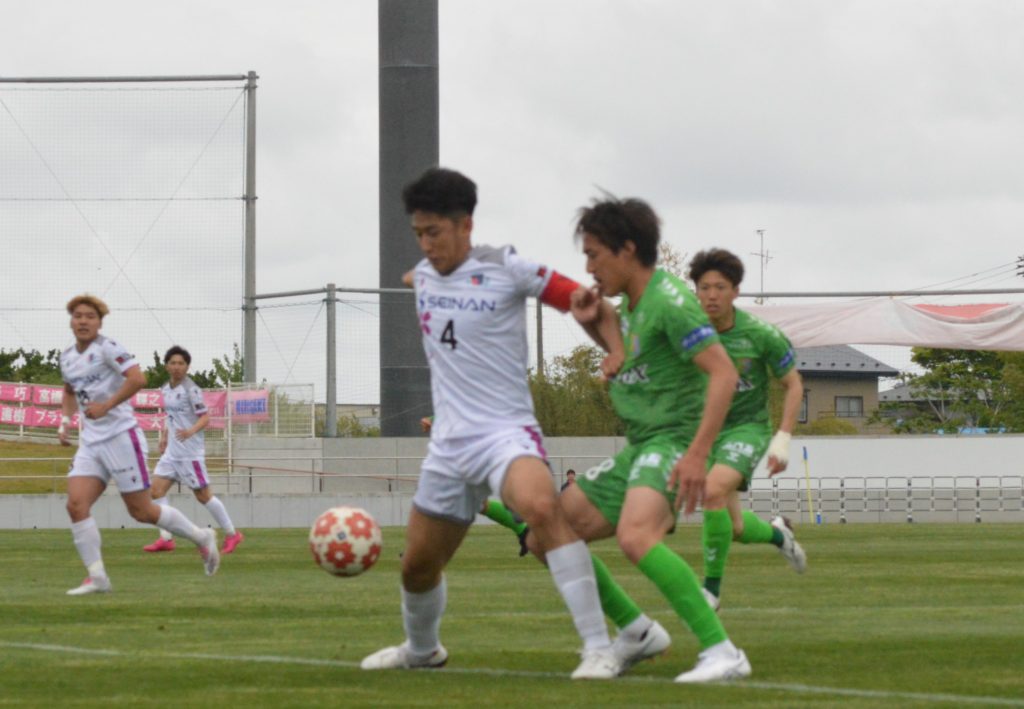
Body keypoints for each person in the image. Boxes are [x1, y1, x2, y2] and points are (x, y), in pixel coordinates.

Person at [360, 167, 626, 679]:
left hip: (506, 432)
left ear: (466, 225)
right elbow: (417, 277)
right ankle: (422, 650)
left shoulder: (508, 268)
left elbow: (590, 306)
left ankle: (599, 647)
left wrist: (615, 352)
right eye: (418, 233)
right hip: (448, 445)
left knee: (541, 508)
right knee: (417, 565)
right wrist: (418, 273)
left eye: (434, 232)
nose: (426, 244)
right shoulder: (423, 276)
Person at [560, 196, 752, 683]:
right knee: (552, 531)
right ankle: (637, 632)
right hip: (641, 444)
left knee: (636, 536)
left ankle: (723, 651)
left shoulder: (670, 302)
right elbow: (630, 359)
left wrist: (697, 455)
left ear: (627, 250)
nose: (589, 268)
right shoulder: (633, 305)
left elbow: (724, 374)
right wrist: (594, 328)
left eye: (594, 254)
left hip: (673, 440)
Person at [59, 295, 219, 595]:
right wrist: (66, 421)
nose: (83, 321)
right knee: (76, 504)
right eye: (78, 315)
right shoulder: (67, 357)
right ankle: (97, 576)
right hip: (91, 442)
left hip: (121, 437)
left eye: (90, 316)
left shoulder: (108, 348)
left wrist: (106, 406)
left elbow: (138, 379)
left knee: (142, 511)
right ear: (71, 320)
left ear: (99, 322)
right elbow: (69, 391)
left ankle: (202, 537)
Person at [687, 249, 807, 610]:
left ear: (736, 291)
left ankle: (710, 591)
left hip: (747, 429)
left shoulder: (760, 334)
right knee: (735, 529)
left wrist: (782, 439)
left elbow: (793, 384)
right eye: (704, 287)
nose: (711, 295)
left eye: (720, 287)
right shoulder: (686, 331)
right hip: (705, 432)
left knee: (712, 491)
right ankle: (779, 535)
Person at [143, 346, 244, 554]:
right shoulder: (166, 389)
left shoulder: (191, 390)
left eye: (181, 363)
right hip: (172, 453)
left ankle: (232, 534)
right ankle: (166, 539)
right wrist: (164, 436)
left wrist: (190, 431)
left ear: (187, 367)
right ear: (167, 366)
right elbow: (170, 416)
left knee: (204, 496)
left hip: (190, 454)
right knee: (155, 491)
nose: (177, 367)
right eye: (173, 363)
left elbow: (205, 418)